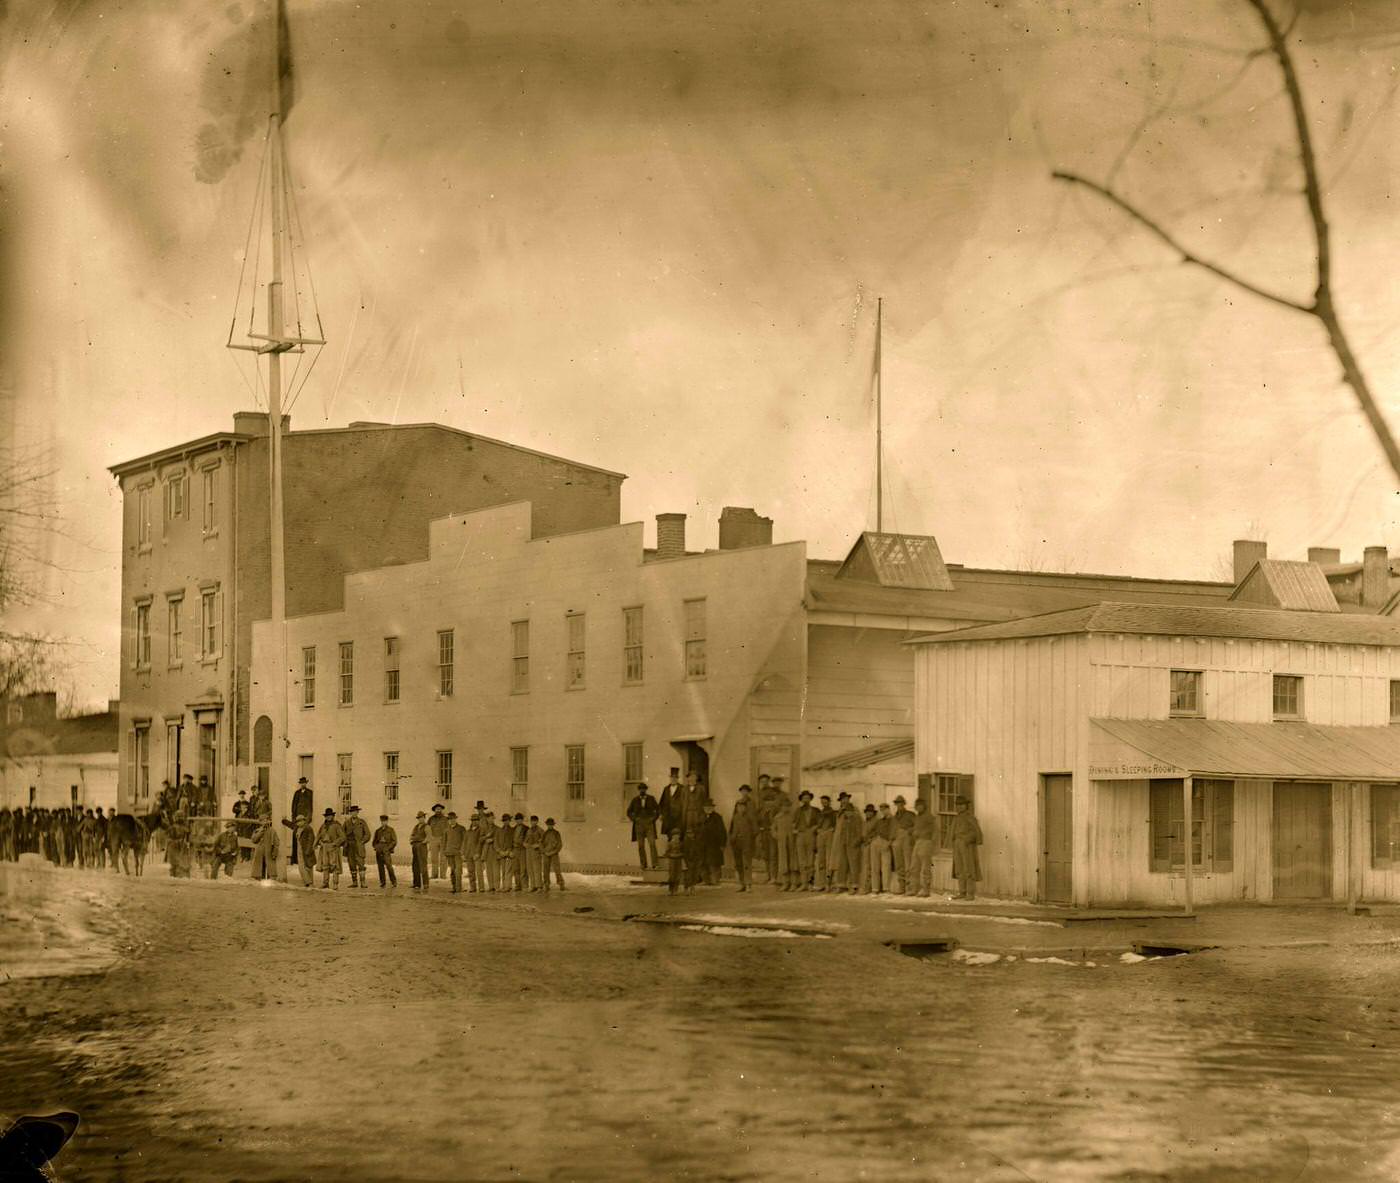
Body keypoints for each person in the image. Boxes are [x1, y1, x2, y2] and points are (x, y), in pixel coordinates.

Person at [950, 796, 983, 900]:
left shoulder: (970, 818)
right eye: (958, 805)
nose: (959, 807)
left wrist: (966, 839)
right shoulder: (956, 818)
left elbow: (976, 832)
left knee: (969, 869)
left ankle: (970, 893)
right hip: (957, 844)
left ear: (966, 806)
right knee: (959, 869)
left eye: (962, 805)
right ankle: (962, 892)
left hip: (966, 845)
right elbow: (953, 832)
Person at [727, 785, 758, 891]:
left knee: (746, 864)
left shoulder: (750, 817)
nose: (740, 808)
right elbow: (731, 829)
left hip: (746, 843)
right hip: (736, 843)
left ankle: (748, 884)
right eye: (738, 807)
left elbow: (755, 830)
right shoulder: (735, 817)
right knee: (738, 864)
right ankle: (742, 884)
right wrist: (732, 838)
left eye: (742, 807)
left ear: (746, 808)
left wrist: (751, 840)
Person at [626, 783, 659, 870]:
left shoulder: (651, 799)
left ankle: (655, 864)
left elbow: (658, 809)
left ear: (646, 789)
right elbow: (628, 812)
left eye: (644, 789)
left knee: (652, 844)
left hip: (649, 824)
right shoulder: (635, 800)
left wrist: (653, 819)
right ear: (638, 790)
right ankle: (643, 864)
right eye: (640, 789)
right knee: (641, 845)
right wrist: (635, 819)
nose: (642, 790)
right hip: (639, 825)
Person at [770, 792, 797, 891]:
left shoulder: (793, 816)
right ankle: (785, 883)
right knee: (783, 862)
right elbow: (773, 829)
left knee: (793, 862)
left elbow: (797, 826)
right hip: (782, 842)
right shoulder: (777, 817)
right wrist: (777, 836)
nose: (786, 808)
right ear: (781, 807)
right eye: (784, 806)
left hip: (792, 842)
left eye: (788, 806)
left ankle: (794, 883)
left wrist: (795, 833)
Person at [911, 797, 937, 897]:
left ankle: (925, 889)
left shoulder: (929, 816)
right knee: (914, 866)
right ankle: (914, 888)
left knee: (925, 867)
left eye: (920, 805)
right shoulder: (917, 817)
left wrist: (932, 843)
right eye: (917, 806)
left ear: (924, 806)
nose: (918, 807)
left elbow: (935, 831)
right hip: (917, 842)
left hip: (926, 842)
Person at [793, 790, 819, 890]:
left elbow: (820, 822)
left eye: (807, 798)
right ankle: (804, 883)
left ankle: (810, 883)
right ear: (801, 799)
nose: (806, 800)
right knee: (802, 861)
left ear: (810, 799)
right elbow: (793, 824)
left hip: (811, 836)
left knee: (811, 861)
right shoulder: (798, 811)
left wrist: (814, 828)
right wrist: (796, 830)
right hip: (801, 836)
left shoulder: (816, 811)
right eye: (804, 798)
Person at [282, 813, 317, 886]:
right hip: (299, 849)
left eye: (300, 821)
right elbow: (291, 825)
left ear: (304, 821)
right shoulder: (297, 828)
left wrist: (308, 850)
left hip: (306, 850)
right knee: (301, 867)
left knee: (308, 866)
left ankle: (309, 882)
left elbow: (311, 839)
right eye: (297, 821)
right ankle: (308, 882)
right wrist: (284, 821)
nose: (298, 823)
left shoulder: (308, 828)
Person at [868, 803, 896, 895]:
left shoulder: (893, 820)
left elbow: (893, 832)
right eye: (881, 810)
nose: (883, 811)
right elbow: (872, 831)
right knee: (874, 866)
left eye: (884, 809)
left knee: (885, 867)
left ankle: (886, 888)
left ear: (888, 809)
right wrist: (872, 839)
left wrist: (889, 843)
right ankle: (875, 888)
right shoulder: (879, 821)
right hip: (876, 842)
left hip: (885, 842)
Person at [316, 807, 346, 890]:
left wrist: (335, 843)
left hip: (333, 848)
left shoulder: (336, 825)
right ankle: (325, 883)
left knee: (335, 866)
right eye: (327, 816)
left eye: (330, 816)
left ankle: (335, 884)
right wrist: (320, 843)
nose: (328, 817)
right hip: (324, 848)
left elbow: (343, 837)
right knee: (325, 865)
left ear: (333, 816)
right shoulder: (323, 826)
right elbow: (318, 836)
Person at [699, 801, 727, 886]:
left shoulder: (717, 817)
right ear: (703, 808)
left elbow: (722, 831)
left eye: (710, 807)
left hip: (714, 844)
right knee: (703, 862)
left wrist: (722, 844)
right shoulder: (701, 817)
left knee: (714, 863)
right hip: (702, 844)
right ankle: (705, 880)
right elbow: (697, 829)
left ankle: (715, 880)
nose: (708, 809)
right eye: (706, 807)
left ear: (713, 808)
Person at [343, 804, 370, 889]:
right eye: (352, 812)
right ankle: (354, 882)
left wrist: (362, 841)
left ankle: (363, 882)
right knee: (351, 864)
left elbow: (367, 834)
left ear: (358, 812)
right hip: (350, 846)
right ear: (350, 813)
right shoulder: (346, 823)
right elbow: (342, 834)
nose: (354, 813)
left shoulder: (362, 822)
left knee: (361, 864)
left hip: (359, 846)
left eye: (355, 812)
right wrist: (345, 842)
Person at [892, 795, 915, 894]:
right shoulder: (895, 817)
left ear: (904, 804)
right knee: (899, 864)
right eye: (897, 803)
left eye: (900, 803)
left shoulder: (910, 815)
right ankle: (901, 886)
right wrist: (892, 839)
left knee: (908, 864)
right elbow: (892, 829)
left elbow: (916, 826)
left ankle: (909, 887)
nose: (899, 805)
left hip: (907, 839)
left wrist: (908, 831)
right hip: (897, 840)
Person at [814, 795, 837, 891]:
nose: (824, 803)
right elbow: (817, 824)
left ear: (829, 802)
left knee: (829, 860)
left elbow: (835, 825)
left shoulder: (833, 813)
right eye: (822, 802)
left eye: (826, 802)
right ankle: (821, 883)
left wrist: (830, 830)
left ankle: (829, 883)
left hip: (829, 835)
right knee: (821, 860)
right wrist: (818, 830)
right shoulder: (819, 813)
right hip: (821, 835)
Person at [249, 813, 279, 881]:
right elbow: (254, 840)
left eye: (266, 820)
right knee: (259, 868)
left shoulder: (272, 831)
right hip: (259, 853)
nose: (265, 822)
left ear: (269, 821)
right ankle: (258, 878)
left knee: (270, 869)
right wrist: (260, 832)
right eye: (263, 821)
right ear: (260, 822)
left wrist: (275, 852)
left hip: (269, 852)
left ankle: (269, 880)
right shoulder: (257, 830)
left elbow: (276, 842)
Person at [290, 778, 313, 862]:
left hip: (305, 819)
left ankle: (305, 856)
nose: (303, 784)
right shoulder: (297, 793)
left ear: (306, 783)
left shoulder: (310, 793)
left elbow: (311, 807)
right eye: (301, 783)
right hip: (297, 818)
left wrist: (308, 819)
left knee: (304, 836)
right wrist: (293, 817)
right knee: (295, 836)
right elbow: (293, 806)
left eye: (304, 783)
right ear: (300, 784)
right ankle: (295, 858)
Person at [443, 811, 467, 892]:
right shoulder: (446, 830)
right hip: (449, 853)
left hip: (458, 853)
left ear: (455, 819)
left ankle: (458, 888)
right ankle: (454, 887)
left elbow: (464, 841)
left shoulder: (461, 828)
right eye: (449, 819)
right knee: (452, 870)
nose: (451, 820)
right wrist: (444, 851)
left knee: (458, 871)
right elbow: (444, 842)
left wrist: (462, 851)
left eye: (453, 819)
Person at [372, 814, 398, 887]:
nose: (383, 822)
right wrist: (376, 847)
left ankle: (394, 881)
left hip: (386, 851)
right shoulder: (378, 831)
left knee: (389, 866)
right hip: (379, 851)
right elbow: (374, 842)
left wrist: (388, 848)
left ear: (387, 821)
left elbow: (394, 841)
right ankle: (382, 882)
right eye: (382, 821)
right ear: (381, 821)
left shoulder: (391, 830)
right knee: (380, 867)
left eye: (385, 821)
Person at [656, 768, 682, 837]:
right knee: (669, 834)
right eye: (672, 777)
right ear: (670, 778)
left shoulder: (682, 788)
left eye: (675, 778)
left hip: (679, 815)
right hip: (668, 815)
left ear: (677, 779)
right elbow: (661, 802)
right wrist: (660, 814)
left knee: (678, 833)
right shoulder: (666, 789)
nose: (673, 779)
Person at [540, 818, 565, 891]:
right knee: (545, 870)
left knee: (557, 869)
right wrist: (544, 851)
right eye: (548, 824)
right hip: (546, 854)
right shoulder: (544, 833)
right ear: (547, 825)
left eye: (551, 824)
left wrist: (554, 852)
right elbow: (541, 844)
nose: (550, 826)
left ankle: (561, 883)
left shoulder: (556, 833)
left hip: (554, 854)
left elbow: (559, 844)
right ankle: (546, 884)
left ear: (553, 825)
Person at [427, 803, 448, 881]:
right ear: (434, 810)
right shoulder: (431, 819)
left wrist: (446, 840)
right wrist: (430, 839)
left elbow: (448, 830)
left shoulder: (446, 819)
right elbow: (428, 829)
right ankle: (434, 875)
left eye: (439, 809)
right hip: (433, 839)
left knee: (443, 858)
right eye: (437, 809)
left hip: (443, 839)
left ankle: (443, 875)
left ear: (442, 810)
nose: (438, 810)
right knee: (434, 858)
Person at [409, 811, 429, 891]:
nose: (420, 819)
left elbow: (429, 837)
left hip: (422, 847)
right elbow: (411, 836)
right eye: (419, 818)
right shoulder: (416, 827)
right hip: (415, 847)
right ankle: (416, 884)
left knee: (423, 865)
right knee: (415, 865)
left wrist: (422, 842)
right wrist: (412, 840)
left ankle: (425, 883)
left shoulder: (427, 826)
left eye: (421, 817)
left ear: (424, 818)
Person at [523, 816, 544, 891]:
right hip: (529, 851)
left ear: (537, 821)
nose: (533, 822)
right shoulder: (529, 830)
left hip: (536, 852)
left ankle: (539, 886)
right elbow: (525, 840)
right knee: (530, 869)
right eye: (532, 821)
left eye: (535, 821)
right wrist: (525, 844)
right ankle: (533, 886)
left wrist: (538, 845)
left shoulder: (540, 830)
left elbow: (544, 841)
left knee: (537, 869)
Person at [664, 830, 685, 895]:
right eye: (675, 835)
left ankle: (676, 890)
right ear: (672, 836)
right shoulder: (669, 843)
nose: (676, 837)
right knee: (672, 875)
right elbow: (666, 853)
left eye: (678, 835)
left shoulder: (681, 844)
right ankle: (670, 890)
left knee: (678, 875)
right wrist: (671, 855)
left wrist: (680, 855)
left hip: (678, 860)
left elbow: (684, 852)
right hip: (672, 861)